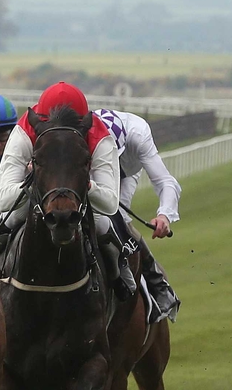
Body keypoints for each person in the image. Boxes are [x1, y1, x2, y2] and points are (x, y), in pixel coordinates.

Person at [0, 82, 137, 296]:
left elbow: (109, 203)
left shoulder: (101, 137)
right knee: (9, 217)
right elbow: (2, 200)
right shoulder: (24, 132)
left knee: (103, 223)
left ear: (84, 126)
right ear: (38, 124)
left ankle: (118, 279)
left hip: (79, 195)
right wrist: (33, 181)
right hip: (37, 192)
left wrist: (85, 184)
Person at [93, 108, 182, 322]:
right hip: (92, 170)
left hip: (126, 173)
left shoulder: (138, 134)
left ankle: (157, 283)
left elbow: (166, 182)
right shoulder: (86, 133)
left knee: (118, 218)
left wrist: (164, 216)